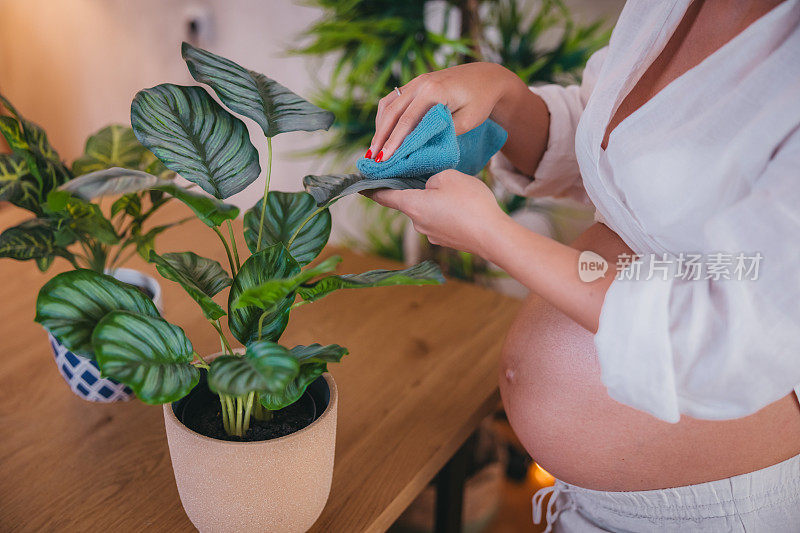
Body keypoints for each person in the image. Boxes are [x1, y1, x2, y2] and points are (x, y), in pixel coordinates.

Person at [365, 1, 800, 531]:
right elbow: (623, 154)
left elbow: (727, 336)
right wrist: (503, 94)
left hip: (705, 513)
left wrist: (495, 236)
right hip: (583, 503)